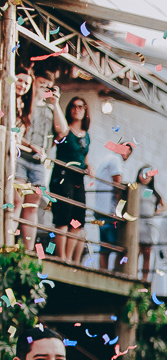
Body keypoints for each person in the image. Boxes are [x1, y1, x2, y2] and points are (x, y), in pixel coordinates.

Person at [16, 66, 67, 251]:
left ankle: (28, 248)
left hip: (38, 162)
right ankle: (9, 241)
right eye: (41, 84)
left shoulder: (50, 108)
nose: (44, 88)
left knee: (32, 204)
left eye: (48, 85)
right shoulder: (24, 104)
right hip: (21, 156)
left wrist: (55, 103)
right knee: (16, 199)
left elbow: (63, 131)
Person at [48, 96, 90, 264]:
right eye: (74, 106)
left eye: (81, 106)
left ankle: (69, 257)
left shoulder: (86, 135)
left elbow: (83, 156)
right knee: (63, 216)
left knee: (77, 220)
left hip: (78, 178)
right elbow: (58, 136)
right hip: (63, 175)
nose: (77, 109)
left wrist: (89, 166)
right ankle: (61, 257)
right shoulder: (65, 130)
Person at [91, 140, 134, 271]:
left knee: (104, 246)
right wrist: (120, 209)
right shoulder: (116, 160)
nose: (126, 154)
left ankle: (103, 271)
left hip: (100, 209)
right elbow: (118, 186)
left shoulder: (106, 159)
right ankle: (116, 272)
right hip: (109, 211)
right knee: (117, 246)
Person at [134, 166, 165, 281]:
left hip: (148, 226)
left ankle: (144, 278)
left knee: (146, 253)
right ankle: (134, 275)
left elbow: (163, 205)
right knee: (136, 252)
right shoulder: (135, 188)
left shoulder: (150, 192)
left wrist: (155, 212)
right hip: (137, 224)